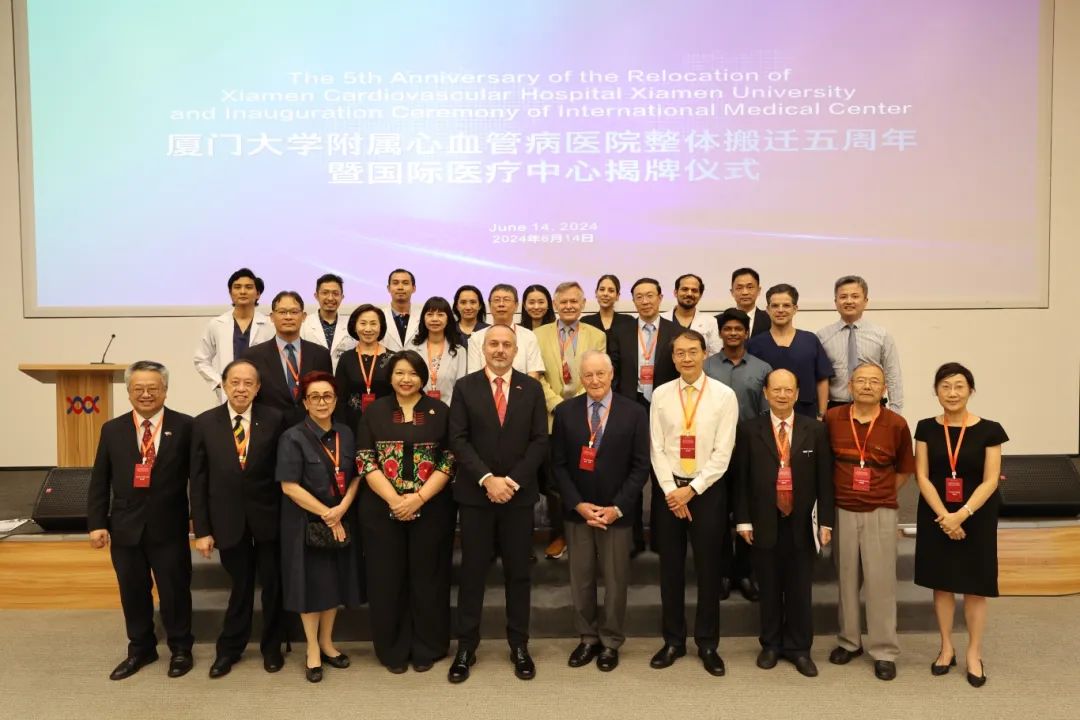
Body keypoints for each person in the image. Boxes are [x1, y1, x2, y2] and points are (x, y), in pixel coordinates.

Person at [447, 325, 549, 683]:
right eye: (494, 344)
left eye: (507, 344)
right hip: (476, 496)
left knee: (518, 573)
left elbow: (540, 441)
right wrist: (488, 479)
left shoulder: (531, 388)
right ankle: (466, 647)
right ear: (484, 348)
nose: (500, 350)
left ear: (516, 350)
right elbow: (458, 439)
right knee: (472, 573)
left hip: (518, 497)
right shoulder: (465, 387)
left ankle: (519, 645)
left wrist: (512, 481)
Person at [87, 361, 194, 680]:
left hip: (170, 525)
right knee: (132, 591)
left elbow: (198, 478)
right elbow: (99, 479)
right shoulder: (112, 429)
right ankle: (141, 648)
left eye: (153, 388)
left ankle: (181, 648)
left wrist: (198, 520)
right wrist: (97, 522)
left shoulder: (186, 426)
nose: (146, 394)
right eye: (139, 389)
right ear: (129, 392)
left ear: (165, 390)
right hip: (125, 527)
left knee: (174, 590)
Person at [357, 351, 457, 673]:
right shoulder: (374, 411)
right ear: (390, 377)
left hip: (431, 508)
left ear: (423, 377)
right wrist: (396, 500)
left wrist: (419, 498)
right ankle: (393, 649)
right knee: (387, 580)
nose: (406, 379)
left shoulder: (439, 411)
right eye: (399, 373)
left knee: (429, 580)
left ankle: (428, 646)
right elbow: (365, 460)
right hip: (382, 510)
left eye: (413, 373)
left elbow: (449, 459)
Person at [648, 330, 739, 677]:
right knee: (670, 569)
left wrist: (693, 489)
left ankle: (708, 644)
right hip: (669, 492)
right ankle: (673, 641)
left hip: (707, 491)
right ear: (673, 359)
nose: (686, 358)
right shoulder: (661, 395)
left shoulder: (724, 396)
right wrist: (672, 491)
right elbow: (656, 447)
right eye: (680, 353)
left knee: (709, 571)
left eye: (692, 352)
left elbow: (723, 452)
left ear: (704, 354)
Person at [552, 350, 649, 672]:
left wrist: (617, 507)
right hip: (578, 512)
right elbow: (558, 465)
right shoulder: (565, 412)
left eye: (600, 374)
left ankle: (610, 641)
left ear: (612, 376)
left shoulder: (634, 413)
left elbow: (640, 467)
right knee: (580, 580)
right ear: (581, 378)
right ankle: (587, 638)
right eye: (588, 375)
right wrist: (577, 504)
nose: (594, 380)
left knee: (615, 581)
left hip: (616, 514)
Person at [190, 359, 288, 677]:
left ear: (258, 388)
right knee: (241, 587)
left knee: (273, 586)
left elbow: (284, 472)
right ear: (224, 384)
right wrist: (202, 530)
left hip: (269, 519)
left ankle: (272, 648)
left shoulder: (275, 419)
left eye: (248, 383)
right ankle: (229, 650)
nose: (241, 388)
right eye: (235, 382)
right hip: (228, 521)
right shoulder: (204, 423)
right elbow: (198, 480)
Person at [735, 369, 834, 678]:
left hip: (802, 522)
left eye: (788, 390)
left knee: (799, 589)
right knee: (768, 587)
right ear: (765, 393)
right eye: (776, 389)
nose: (782, 395)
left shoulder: (815, 430)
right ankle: (771, 645)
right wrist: (743, 520)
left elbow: (825, 481)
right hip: (763, 520)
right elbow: (740, 480)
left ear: (797, 393)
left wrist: (826, 522)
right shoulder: (749, 430)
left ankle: (799, 648)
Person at [913, 362, 1007, 688]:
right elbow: (922, 476)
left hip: (976, 516)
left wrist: (961, 514)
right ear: (936, 391)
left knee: (975, 586)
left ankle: (974, 653)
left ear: (970, 390)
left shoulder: (990, 430)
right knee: (942, 584)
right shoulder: (925, 428)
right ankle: (946, 647)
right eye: (945, 386)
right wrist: (945, 516)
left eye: (959, 386)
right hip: (936, 515)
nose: (952, 393)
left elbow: (991, 479)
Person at [824, 362, 915, 681]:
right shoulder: (832, 419)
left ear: (884, 388)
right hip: (843, 509)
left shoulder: (896, 424)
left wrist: (881, 491)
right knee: (847, 579)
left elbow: (904, 469)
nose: (867, 386)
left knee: (881, 582)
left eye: (874, 381)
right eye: (860, 381)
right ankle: (849, 642)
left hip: (881, 511)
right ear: (849, 386)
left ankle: (884, 650)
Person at [276, 371, 363, 683]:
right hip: (306, 523)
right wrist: (329, 514)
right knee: (310, 588)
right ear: (305, 402)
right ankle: (312, 648)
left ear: (336, 400)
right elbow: (289, 486)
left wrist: (342, 509)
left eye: (327, 396)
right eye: (314, 397)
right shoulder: (292, 437)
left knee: (333, 584)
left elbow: (356, 476)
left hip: (340, 518)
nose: (322, 402)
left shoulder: (347, 434)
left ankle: (327, 642)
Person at [534, 281, 607, 560]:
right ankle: (560, 534)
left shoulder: (596, 335)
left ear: (583, 303)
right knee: (554, 481)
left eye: (574, 301)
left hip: (586, 416)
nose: (568, 306)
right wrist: (557, 404)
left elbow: (597, 375)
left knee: (587, 474)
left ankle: (589, 531)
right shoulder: (538, 335)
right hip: (550, 416)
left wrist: (574, 405)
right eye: (563, 302)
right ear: (555, 304)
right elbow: (536, 376)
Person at [704, 307, 772, 602]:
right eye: (727, 329)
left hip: (750, 451)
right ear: (720, 333)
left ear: (746, 333)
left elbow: (766, 414)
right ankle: (721, 573)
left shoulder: (762, 368)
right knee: (717, 514)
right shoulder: (706, 367)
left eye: (738, 329)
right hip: (712, 452)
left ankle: (744, 572)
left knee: (748, 511)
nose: (733, 333)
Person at [608, 277, 679, 554]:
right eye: (639, 296)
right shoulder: (621, 331)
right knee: (630, 473)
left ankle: (662, 538)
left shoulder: (676, 331)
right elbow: (613, 371)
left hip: (665, 410)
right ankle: (633, 539)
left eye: (650, 295)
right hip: (630, 407)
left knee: (663, 473)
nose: (645, 301)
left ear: (660, 298)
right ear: (633, 300)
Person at [243, 291, 333, 426]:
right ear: (272, 317)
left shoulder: (321, 354)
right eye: (282, 312)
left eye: (294, 312)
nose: (288, 317)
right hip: (269, 429)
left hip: (311, 429)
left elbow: (329, 395)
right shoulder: (253, 356)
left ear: (304, 316)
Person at [817, 275, 904, 413]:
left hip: (873, 406)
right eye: (843, 297)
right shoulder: (822, 336)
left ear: (865, 301)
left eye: (855, 296)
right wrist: (820, 413)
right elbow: (819, 378)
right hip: (836, 408)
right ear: (836, 301)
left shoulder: (882, 336)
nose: (849, 301)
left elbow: (893, 375)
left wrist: (895, 411)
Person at [746, 284, 832, 419]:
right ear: (768, 309)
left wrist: (821, 414)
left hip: (806, 415)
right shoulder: (755, 344)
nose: (780, 310)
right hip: (766, 417)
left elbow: (822, 379)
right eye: (775, 306)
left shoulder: (810, 340)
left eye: (786, 305)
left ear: (795, 309)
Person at [194, 268, 274, 403]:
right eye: (237, 287)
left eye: (248, 287)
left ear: (258, 294)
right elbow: (201, 360)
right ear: (230, 293)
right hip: (229, 395)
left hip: (262, 394)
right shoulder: (217, 324)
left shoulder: (269, 325)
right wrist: (219, 382)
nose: (242, 291)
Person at [334, 304, 394, 436]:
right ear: (354, 327)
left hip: (386, 425)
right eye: (363, 323)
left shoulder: (393, 358)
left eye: (373, 323)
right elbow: (340, 398)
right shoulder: (346, 358)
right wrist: (342, 430)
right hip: (352, 426)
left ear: (381, 327)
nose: (368, 329)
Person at [466, 284, 544, 378]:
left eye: (506, 300)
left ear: (516, 306)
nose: (501, 304)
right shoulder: (476, 338)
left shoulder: (529, 336)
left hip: (521, 387)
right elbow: (474, 376)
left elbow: (533, 373)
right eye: (496, 300)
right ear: (489, 306)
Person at [408, 296, 468, 406]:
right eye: (430, 314)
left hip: (449, 409)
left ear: (448, 319)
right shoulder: (411, 349)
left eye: (440, 315)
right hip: (416, 408)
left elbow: (461, 388)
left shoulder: (460, 352)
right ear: (423, 318)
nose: (434, 319)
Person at [300, 273, 357, 371]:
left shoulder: (352, 325)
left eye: (335, 293)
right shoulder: (304, 324)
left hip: (343, 378)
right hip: (313, 378)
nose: (330, 298)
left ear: (342, 297)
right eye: (325, 293)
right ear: (316, 296)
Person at [670, 273, 722, 356]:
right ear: (675, 292)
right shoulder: (661, 319)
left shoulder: (710, 321)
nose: (689, 294)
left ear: (700, 295)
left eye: (694, 290)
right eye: (685, 289)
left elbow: (716, 354)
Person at [582, 273, 636, 346]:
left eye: (611, 290)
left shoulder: (628, 322)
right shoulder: (585, 322)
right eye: (602, 289)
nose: (605, 294)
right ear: (596, 293)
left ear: (617, 296)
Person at [719, 267, 769, 338]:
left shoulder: (770, 320)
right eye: (739, 288)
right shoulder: (718, 321)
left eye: (750, 287)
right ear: (732, 292)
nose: (745, 292)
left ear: (758, 290)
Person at [382, 268, 421, 352]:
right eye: (395, 283)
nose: (400, 287)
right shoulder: (379, 317)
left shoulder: (423, 317)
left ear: (414, 288)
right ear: (388, 288)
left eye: (405, 283)